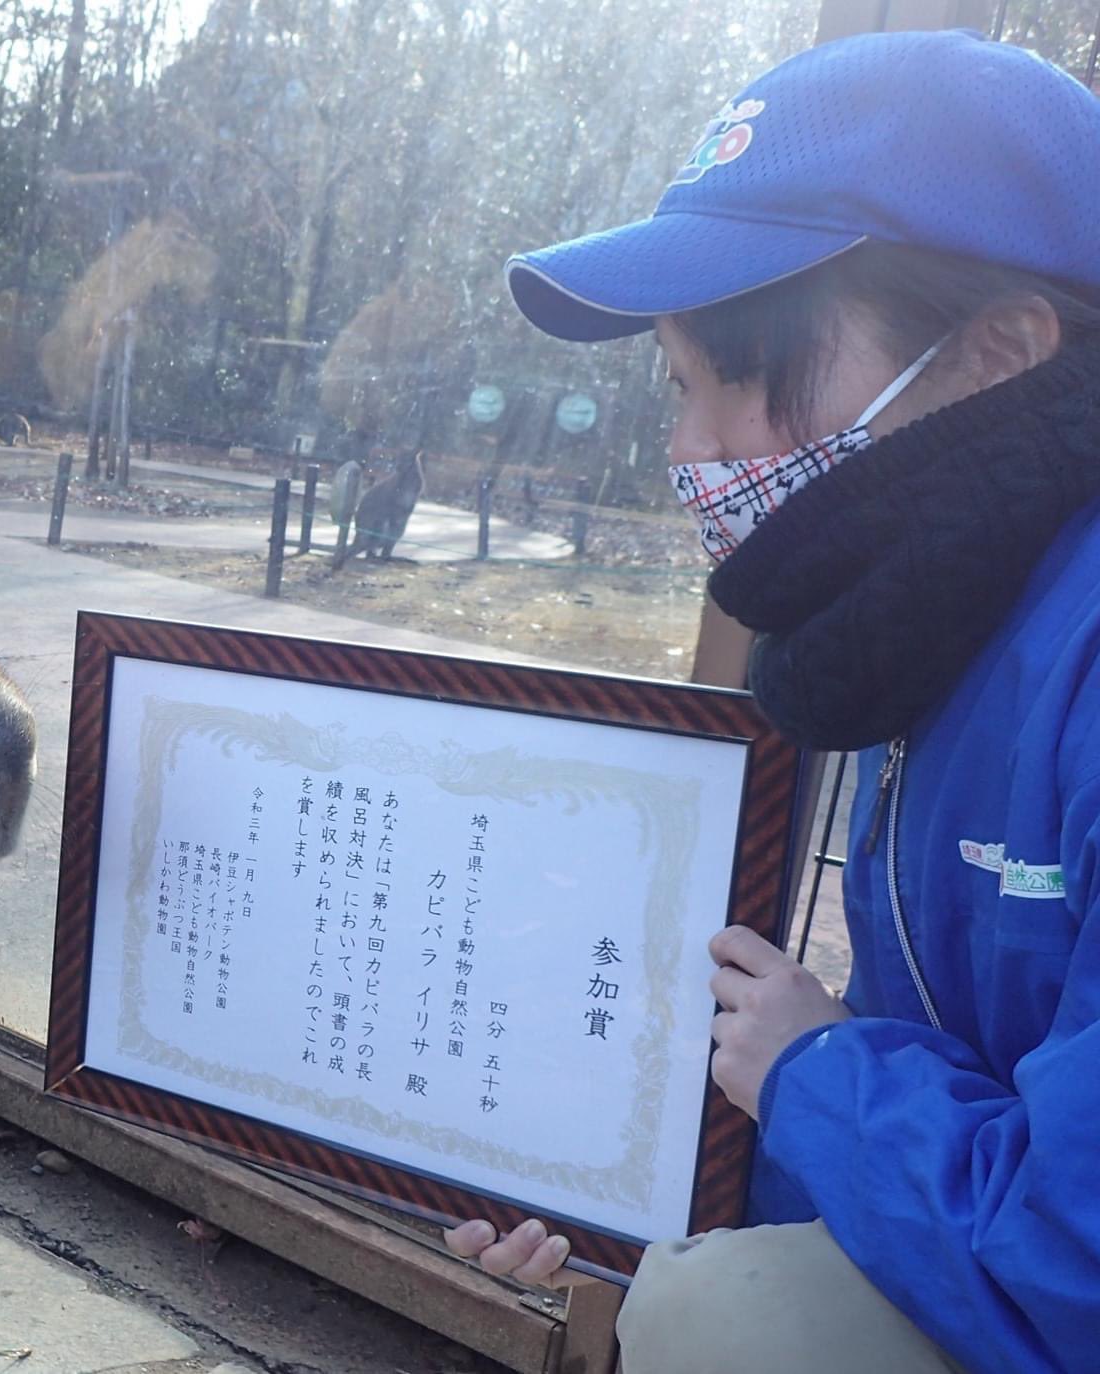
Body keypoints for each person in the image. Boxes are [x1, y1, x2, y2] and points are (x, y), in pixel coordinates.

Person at [445, 28, 1100, 1374]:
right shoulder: (943, 617)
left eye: (738, 374)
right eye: (677, 387)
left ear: (999, 356)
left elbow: (1075, 1258)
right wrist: (606, 1165)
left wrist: (812, 1073)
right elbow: (954, 1077)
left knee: (723, 1321)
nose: (691, 450)